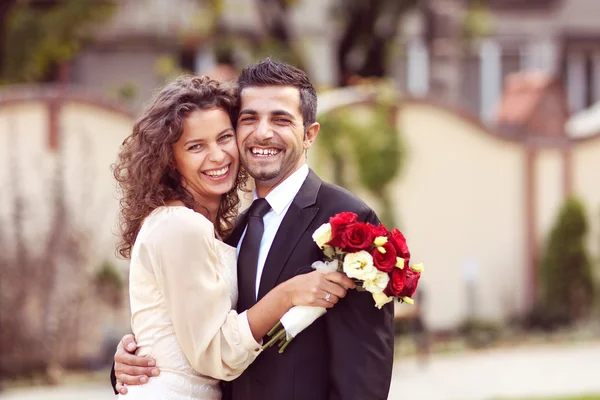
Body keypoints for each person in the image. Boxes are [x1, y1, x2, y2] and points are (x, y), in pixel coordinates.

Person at [112, 59, 395, 400]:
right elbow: (195, 335)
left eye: (280, 119)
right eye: (249, 119)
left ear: (309, 135)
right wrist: (130, 362)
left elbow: (362, 379)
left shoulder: (349, 224)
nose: (262, 133)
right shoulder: (234, 230)